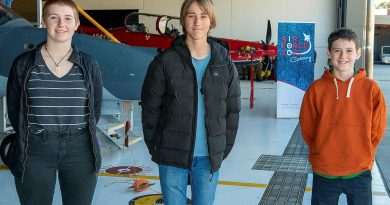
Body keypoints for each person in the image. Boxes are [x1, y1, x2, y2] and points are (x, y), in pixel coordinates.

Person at [141, 0, 241, 204]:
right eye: (191, 15)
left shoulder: (224, 63)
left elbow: (233, 109)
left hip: (208, 158)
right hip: (171, 155)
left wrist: (222, 148)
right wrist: (157, 147)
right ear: (183, 20)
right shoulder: (165, 61)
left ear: (211, 21)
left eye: (203, 16)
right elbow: (150, 108)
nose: (197, 22)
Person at [6, 0, 102, 204]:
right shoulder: (24, 65)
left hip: (80, 149)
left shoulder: (88, 64)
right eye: (53, 17)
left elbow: (95, 108)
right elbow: (16, 110)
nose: (61, 24)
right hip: (35, 150)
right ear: (43, 22)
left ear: (76, 24)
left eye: (68, 18)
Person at [299, 28, 387, 205]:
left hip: (359, 171)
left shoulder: (371, 89)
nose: (342, 56)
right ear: (329, 54)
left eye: (349, 50)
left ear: (358, 53)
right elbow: (308, 128)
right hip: (325, 171)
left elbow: (378, 129)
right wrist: (321, 150)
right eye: (337, 50)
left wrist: (365, 154)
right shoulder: (316, 89)